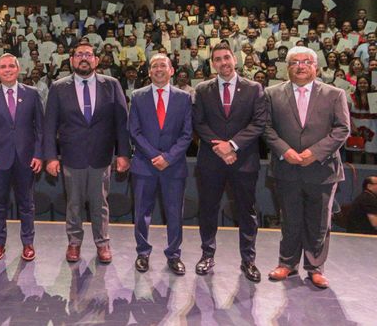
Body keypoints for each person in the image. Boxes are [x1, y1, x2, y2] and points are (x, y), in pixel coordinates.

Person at [263, 46, 350, 289]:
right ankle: (287, 264)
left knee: (319, 221)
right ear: (287, 67)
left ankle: (315, 267)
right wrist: (284, 151)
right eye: (294, 62)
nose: (300, 66)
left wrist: (315, 153)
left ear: (316, 67)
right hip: (286, 168)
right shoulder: (271, 93)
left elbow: (342, 129)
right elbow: (266, 128)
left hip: (322, 170)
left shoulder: (335, 94)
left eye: (306, 61)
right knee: (289, 219)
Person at [43, 43, 131, 263]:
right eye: (79, 54)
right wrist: (51, 157)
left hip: (101, 157)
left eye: (88, 55)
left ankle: (102, 244)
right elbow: (49, 125)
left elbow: (122, 122)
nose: (84, 58)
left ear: (96, 60)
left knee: (100, 204)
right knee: (73, 203)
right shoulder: (58, 87)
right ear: (72, 60)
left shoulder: (112, 85)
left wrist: (123, 153)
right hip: (72, 157)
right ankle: (74, 243)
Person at [192, 42, 266, 282]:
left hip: (243, 160)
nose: (223, 62)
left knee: (246, 211)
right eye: (218, 59)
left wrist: (232, 145)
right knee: (208, 209)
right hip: (211, 160)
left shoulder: (255, 88)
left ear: (235, 59)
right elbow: (199, 123)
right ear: (212, 64)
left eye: (226, 57)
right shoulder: (202, 89)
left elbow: (258, 123)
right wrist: (220, 147)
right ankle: (207, 255)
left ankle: (248, 260)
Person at [128, 53, 193, 275]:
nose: (158, 69)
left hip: (173, 167)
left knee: (174, 213)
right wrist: (155, 155)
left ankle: (174, 255)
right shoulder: (137, 96)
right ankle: (142, 253)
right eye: (154, 66)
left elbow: (187, 134)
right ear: (149, 71)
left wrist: (168, 157)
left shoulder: (184, 98)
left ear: (171, 70)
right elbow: (134, 131)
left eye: (162, 65)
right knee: (141, 212)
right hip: (144, 165)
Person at [0, 53, 44, 262]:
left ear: (18, 70)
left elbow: (40, 129)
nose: (7, 70)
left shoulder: (32, 94)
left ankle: (28, 243)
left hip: (26, 159)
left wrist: (38, 154)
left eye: (11, 66)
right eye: (3, 67)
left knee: (27, 203)